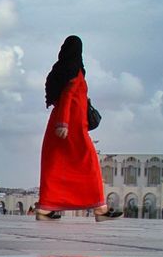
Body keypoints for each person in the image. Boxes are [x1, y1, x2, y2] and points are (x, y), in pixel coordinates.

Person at [37, 36, 120, 222]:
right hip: (72, 127)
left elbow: (62, 98)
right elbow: (67, 97)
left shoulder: (60, 70)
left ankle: (45, 208)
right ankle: (100, 208)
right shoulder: (75, 71)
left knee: (54, 164)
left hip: (59, 123)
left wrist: (60, 122)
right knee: (90, 163)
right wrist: (64, 124)